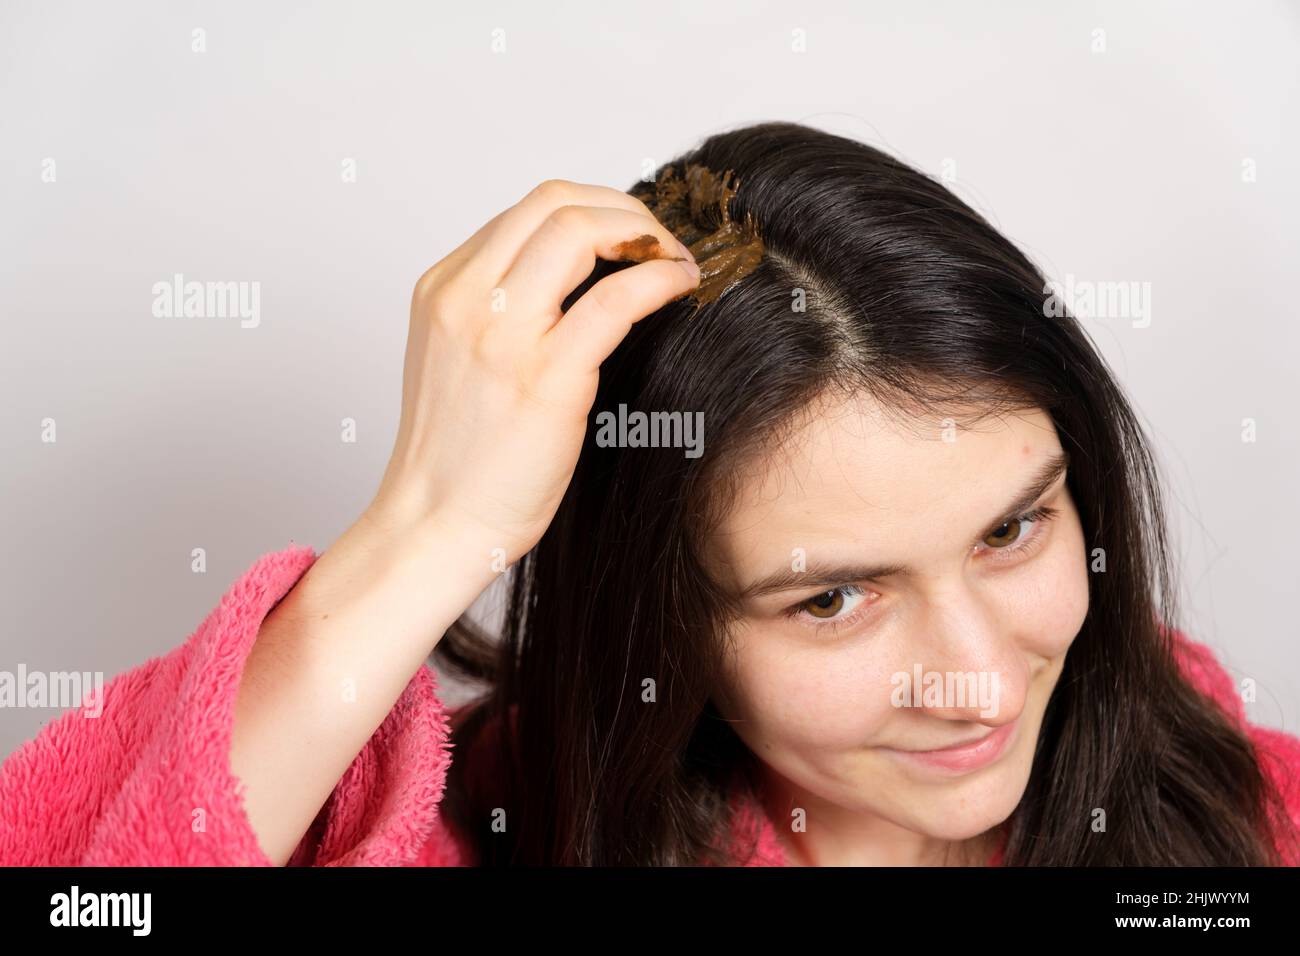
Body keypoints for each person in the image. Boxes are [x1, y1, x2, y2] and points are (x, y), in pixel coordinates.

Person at [2, 121, 1297, 867]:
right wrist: (430, 529)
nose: (974, 675)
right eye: (833, 598)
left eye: (1014, 527)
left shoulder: (1254, 828)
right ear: (662, 618)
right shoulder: (492, 845)